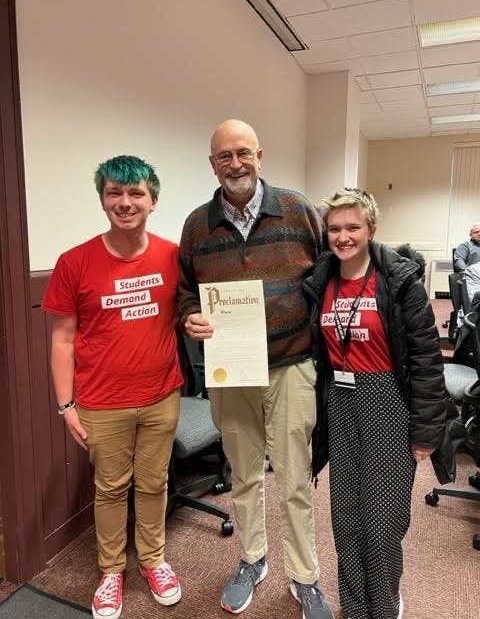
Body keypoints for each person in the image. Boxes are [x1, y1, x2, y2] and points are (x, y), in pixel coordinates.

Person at [177, 119, 333, 619]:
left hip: (291, 364)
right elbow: (183, 290)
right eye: (225, 156)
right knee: (243, 473)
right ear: (212, 164)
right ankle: (252, 558)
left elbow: (329, 272)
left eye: (243, 153)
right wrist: (188, 316)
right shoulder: (196, 226)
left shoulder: (296, 209)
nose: (236, 164)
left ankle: (305, 577)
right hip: (232, 372)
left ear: (260, 156)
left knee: (294, 476)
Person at [42, 155, 184, 619]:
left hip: (162, 395)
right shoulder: (75, 262)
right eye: (114, 193)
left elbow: (190, 313)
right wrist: (66, 405)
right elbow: (62, 339)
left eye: (136, 193)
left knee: (154, 483)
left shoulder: (172, 256)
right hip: (101, 403)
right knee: (110, 488)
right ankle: (110, 571)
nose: (125, 203)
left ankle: (153, 559)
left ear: (153, 200)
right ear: (103, 199)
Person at [303, 189, 449, 619]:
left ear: (371, 229)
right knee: (345, 517)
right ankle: (354, 602)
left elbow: (426, 360)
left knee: (382, 522)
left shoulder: (400, 281)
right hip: (341, 404)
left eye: (352, 227)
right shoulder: (320, 280)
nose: (343, 236)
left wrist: (426, 432)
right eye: (334, 228)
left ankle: (385, 605)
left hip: (389, 403)